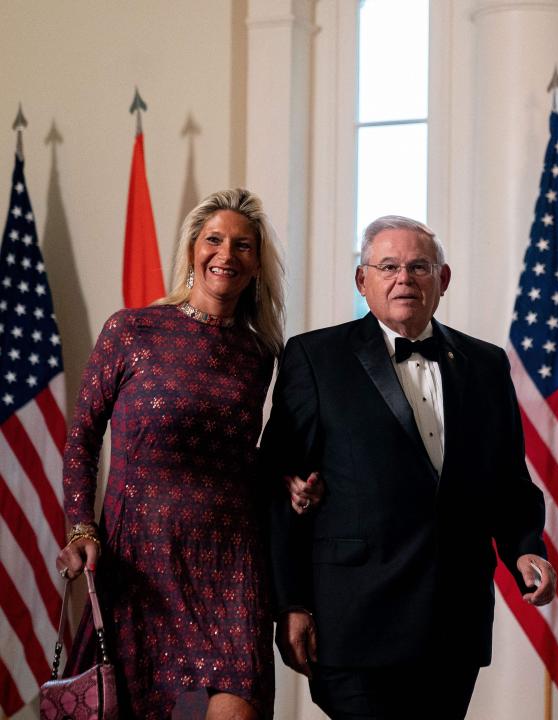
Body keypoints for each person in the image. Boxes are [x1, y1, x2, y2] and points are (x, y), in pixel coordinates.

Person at [262, 214, 557, 720]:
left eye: (420, 266)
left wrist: (527, 550)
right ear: (363, 280)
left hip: (453, 621)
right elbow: (278, 486)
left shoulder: (486, 365)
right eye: (389, 266)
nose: (405, 279)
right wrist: (290, 603)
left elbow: (508, 482)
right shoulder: (315, 357)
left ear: (443, 280)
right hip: (352, 621)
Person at [56, 188, 284, 720]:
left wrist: (290, 480)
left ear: (256, 266)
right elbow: (82, 437)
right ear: (192, 251)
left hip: (232, 563)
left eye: (243, 246)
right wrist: (81, 528)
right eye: (214, 240)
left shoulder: (260, 355)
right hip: (141, 561)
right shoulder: (131, 330)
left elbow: (243, 456)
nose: (226, 254)